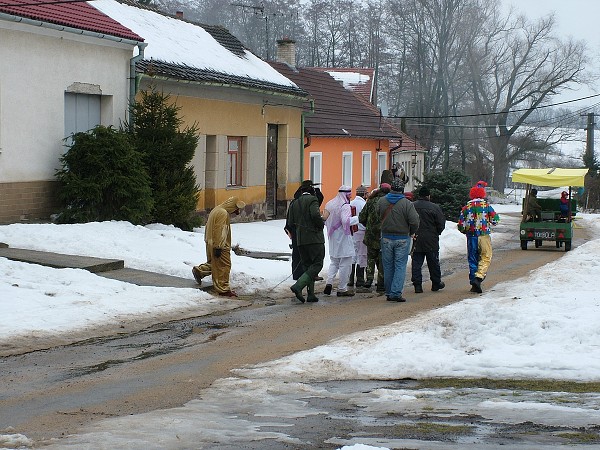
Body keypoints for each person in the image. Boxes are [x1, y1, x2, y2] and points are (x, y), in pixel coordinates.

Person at [192, 196, 245, 297]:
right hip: (220, 245)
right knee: (224, 266)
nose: (236, 212)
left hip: (210, 242)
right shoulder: (223, 213)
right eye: (236, 209)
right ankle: (223, 289)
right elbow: (220, 230)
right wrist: (218, 246)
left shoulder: (216, 209)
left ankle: (200, 271)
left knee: (215, 264)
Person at [377, 179, 420, 302]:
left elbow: (377, 214)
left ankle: (389, 292)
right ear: (402, 190)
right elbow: (415, 221)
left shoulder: (382, 201)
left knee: (388, 265)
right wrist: (411, 231)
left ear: (391, 189)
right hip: (402, 237)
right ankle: (396, 292)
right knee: (400, 265)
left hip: (385, 237)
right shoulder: (407, 204)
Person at [286, 180, 326, 303]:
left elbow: (290, 222)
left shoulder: (294, 203)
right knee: (317, 264)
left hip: (300, 240)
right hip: (314, 238)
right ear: (311, 190)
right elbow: (315, 215)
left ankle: (311, 295)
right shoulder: (312, 200)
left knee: (308, 265)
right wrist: (321, 224)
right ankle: (298, 286)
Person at [457, 180, 500, 294]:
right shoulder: (486, 206)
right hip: (484, 236)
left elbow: (461, 225)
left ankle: (473, 282)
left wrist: (465, 230)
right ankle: (479, 277)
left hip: (471, 237)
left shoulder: (466, 207)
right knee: (486, 257)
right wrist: (489, 221)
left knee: (472, 259)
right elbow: (496, 220)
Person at [322, 185, 360, 297]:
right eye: (349, 194)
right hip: (344, 237)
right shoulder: (345, 206)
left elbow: (324, 219)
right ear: (346, 194)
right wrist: (358, 218)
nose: (350, 196)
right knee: (345, 264)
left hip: (332, 236)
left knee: (334, 262)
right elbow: (345, 221)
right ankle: (342, 288)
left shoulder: (329, 203)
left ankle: (329, 282)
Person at [411, 185, 446, 293]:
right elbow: (441, 223)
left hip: (416, 238)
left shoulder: (412, 206)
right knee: (433, 262)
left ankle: (417, 285)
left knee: (416, 262)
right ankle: (436, 283)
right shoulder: (435, 207)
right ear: (428, 196)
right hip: (431, 239)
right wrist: (437, 232)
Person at [359, 182, 391, 292]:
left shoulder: (371, 201)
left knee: (371, 257)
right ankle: (381, 283)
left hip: (371, 234)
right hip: (384, 234)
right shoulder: (389, 202)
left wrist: (368, 225)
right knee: (382, 259)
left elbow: (362, 217)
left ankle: (369, 279)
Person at [349, 185, 368, 288]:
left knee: (353, 254)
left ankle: (350, 279)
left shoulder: (351, 203)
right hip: (362, 231)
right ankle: (360, 279)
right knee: (362, 255)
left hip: (353, 231)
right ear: (364, 194)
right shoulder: (364, 204)